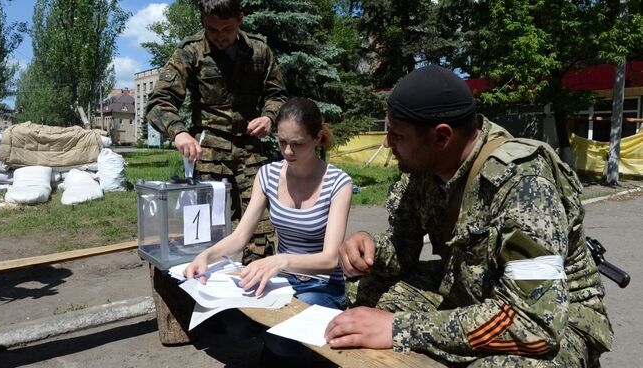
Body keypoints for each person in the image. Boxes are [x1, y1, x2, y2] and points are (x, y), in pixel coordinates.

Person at [324, 66, 613, 367]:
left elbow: (534, 323)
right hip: (470, 289)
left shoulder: (524, 182)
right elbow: (403, 247)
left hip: (555, 318)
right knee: (367, 289)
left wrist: (399, 329)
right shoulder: (422, 169)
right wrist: (368, 246)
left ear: (442, 137)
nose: (387, 143)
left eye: (397, 135)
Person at [146, 0, 287, 265]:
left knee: (260, 228)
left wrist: (269, 117)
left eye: (227, 29)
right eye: (212, 30)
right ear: (203, 22)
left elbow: (277, 94)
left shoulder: (259, 51)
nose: (220, 37)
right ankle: (206, 289)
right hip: (207, 152)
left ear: (240, 19)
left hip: (250, 151)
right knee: (204, 229)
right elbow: (158, 102)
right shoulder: (191, 52)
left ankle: (256, 284)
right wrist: (179, 133)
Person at [184, 97, 353, 309]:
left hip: (321, 286)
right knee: (235, 320)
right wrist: (205, 256)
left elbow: (330, 260)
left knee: (286, 330)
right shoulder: (268, 175)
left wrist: (281, 261)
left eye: (297, 144)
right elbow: (240, 237)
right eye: (282, 142)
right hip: (281, 281)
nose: (288, 151)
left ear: (317, 138)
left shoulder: (338, 182)